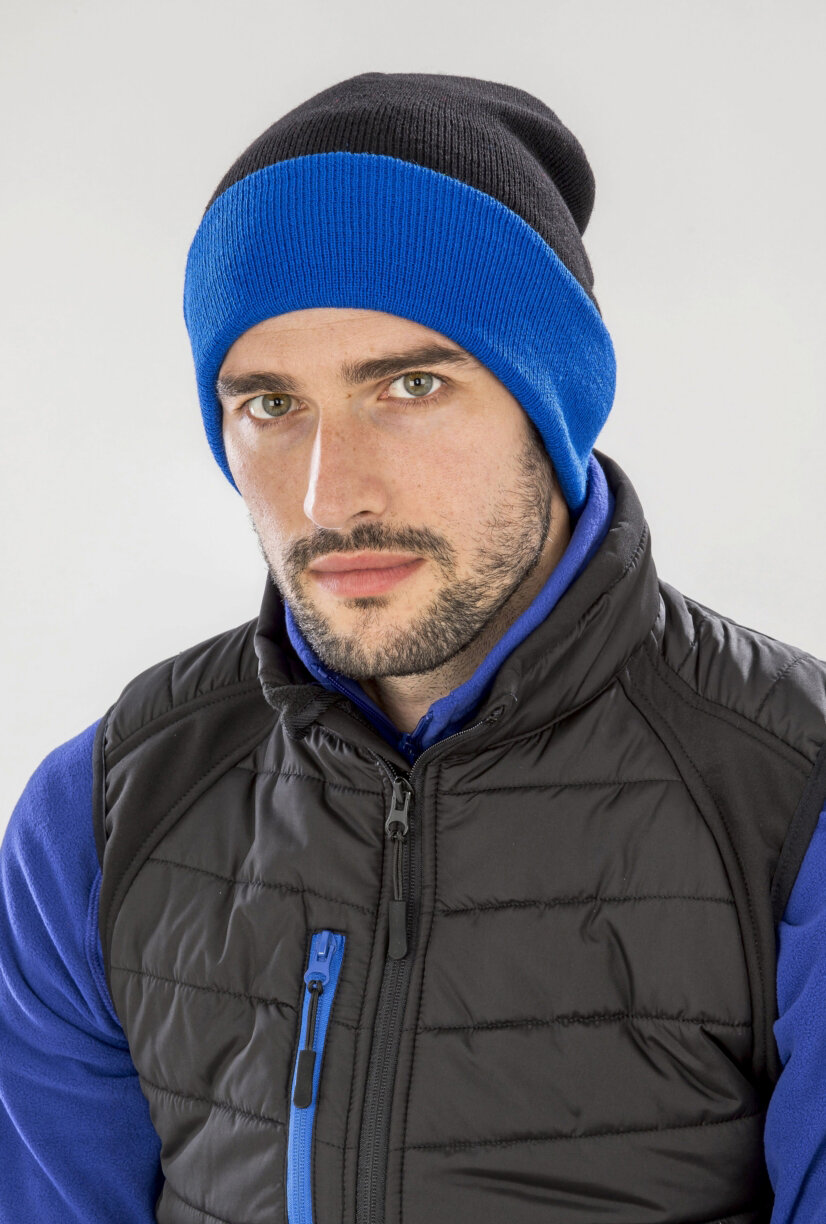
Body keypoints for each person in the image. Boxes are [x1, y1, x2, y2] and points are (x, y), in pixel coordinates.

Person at [1, 71, 824, 1224]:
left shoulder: (793, 797)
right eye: (271, 406)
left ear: (551, 405)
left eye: (411, 384)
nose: (330, 494)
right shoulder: (100, 812)